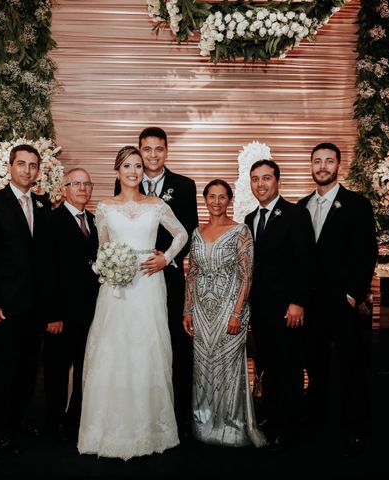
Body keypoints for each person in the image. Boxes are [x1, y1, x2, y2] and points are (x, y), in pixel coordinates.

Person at [79, 145, 188, 460]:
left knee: (147, 349)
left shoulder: (155, 205)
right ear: (117, 171)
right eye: (127, 166)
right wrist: (109, 266)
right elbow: (102, 250)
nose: (133, 171)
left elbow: (181, 234)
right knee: (114, 350)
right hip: (115, 289)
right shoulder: (104, 207)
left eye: (138, 166)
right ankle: (108, 429)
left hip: (149, 284)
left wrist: (165, 259)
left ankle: (150, 428)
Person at [114, 127, 198, 436]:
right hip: (132, 281)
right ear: (138, 150)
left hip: (170, 276)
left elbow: (189, 230)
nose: (151, 155)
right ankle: (139, 410)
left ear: (166, 150)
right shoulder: (126, 179)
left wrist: (167, 258)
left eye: (158, 149)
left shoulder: (185, 186)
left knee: (173, 344)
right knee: (136, 343)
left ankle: (179, 416)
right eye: (146, 149)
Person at [297, 143, 378, 457]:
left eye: (328, 161)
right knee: (315, 364)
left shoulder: (356, 204)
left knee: (351, 367)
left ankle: (355, 428)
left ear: (338, 165)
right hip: (311, 303)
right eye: (317, 161)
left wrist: (352, 295)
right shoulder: (301, 206)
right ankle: (318, 420)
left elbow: (365, 253)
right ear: (311, 166)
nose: (322, 166)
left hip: (341, 302)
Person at [0, 144, 54, 455]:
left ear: (38, 170)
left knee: (28, 368)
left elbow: (44, 260)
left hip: (34, 306)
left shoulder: (43, 205)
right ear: (10, 167)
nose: (27, 170)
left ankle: (19, 418)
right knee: (5, 369)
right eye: (21, 164)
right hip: (5, 306)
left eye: (33, 165)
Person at [182, 179, 266, 448]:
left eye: (222, 197)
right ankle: (205, 423)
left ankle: (232, 425)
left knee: (229, 369)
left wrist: (237, 313)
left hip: (230, 310)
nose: (216, 202)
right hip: (201, 313)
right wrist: (187, 310)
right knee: (203, 367)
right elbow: (192, 274)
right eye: (211, 197)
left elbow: (247, 275)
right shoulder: (196, 232)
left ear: (229, 200)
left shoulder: (241, 231)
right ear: (204, 200)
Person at [244, 159, 316, 453]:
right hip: (260, 310)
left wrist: (298, 301)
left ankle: (290, 427)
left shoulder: (296, 214)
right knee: (267, 367)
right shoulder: (249, 219)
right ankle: (271, 420)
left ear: (277, 182)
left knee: (289, 368)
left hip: (288, 309)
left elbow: (306, 261)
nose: (260, 184)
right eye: (255, 179)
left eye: (266, 178)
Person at [43, 168, 99, 442]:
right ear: (64, 188)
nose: (82, 189)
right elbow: (46, 271)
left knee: (85, 368)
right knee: (56, 370)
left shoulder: (95, 221)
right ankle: (52, 422)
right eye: (76, 184)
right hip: (61, 314)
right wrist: (53, 314)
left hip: (91, 313)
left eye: (87, 184)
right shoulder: (50, 221)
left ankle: (75, 419)